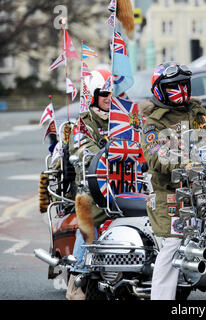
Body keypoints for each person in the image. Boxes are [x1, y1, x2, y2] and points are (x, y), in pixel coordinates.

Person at [140, 61, 206, 300]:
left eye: (183, 84)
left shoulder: (197, 112)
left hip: (204, 189)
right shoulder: (153, 122)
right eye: (174, 85)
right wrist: (184, 162)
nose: (181, 89)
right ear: (160, 89)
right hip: (169, 195)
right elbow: (156, 157)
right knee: (171, 247)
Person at [65, 69, 112, 300]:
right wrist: (110, 155)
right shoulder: (82, 125)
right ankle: (77, 281)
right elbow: (86, 151)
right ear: (92, 95)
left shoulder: (122, 120)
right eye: (104, 93)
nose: (109, 97)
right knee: (87, 218)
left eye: (112, 93)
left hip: (124, 186)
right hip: (91, 188)